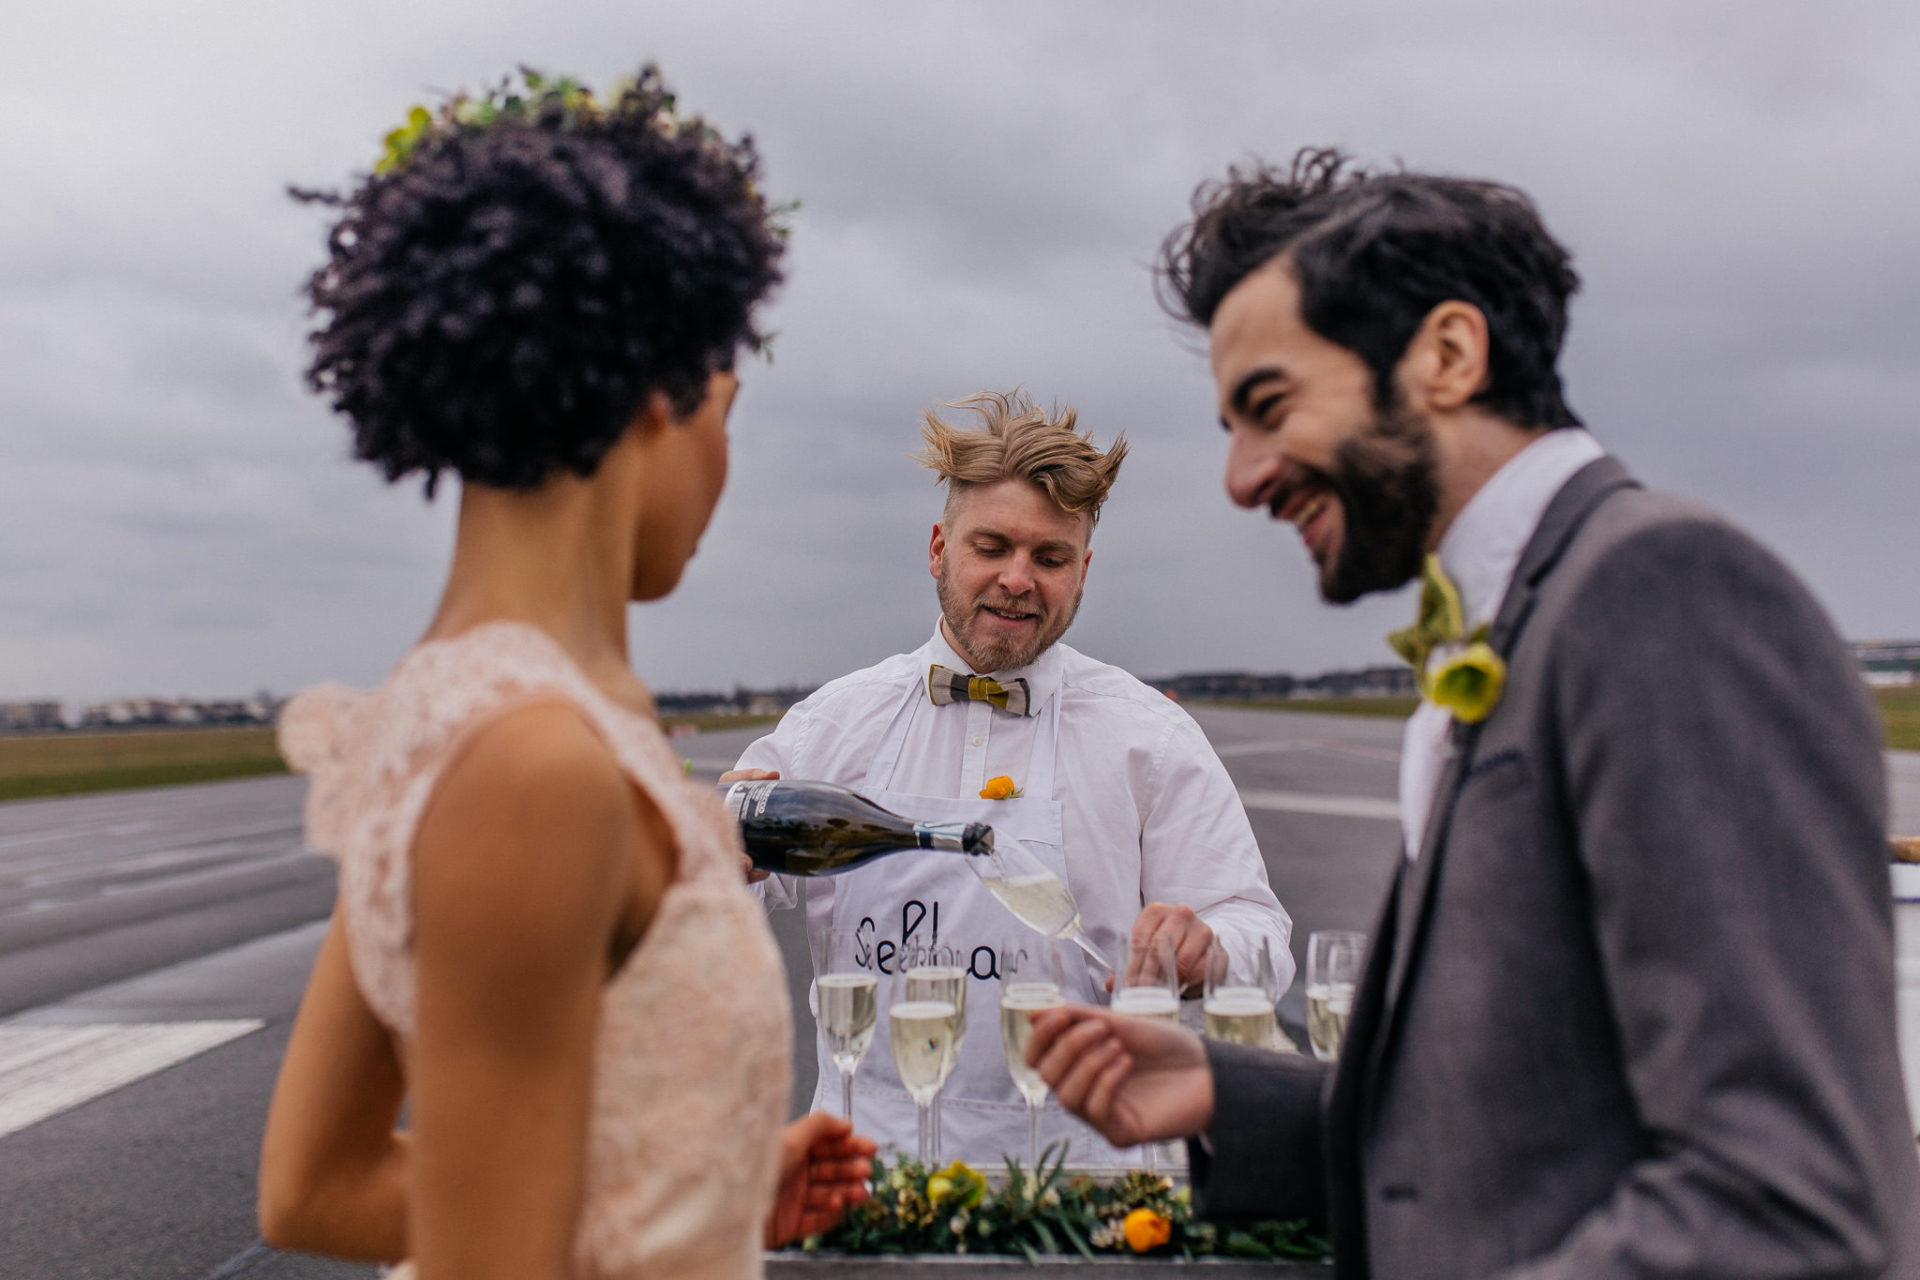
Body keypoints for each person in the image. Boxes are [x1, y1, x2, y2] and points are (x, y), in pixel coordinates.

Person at [1028, 149, 1920, 1277]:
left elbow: (1791, 1201)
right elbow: (1536, 1126)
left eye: (1270, 407)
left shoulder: (1665, 593)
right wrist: (1237, 1096)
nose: (1241, 478)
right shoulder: (1524, 622)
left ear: (1448, 355)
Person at [256, 69, 873, 1280]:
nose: (726, 460)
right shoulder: (534, 763)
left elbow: (321, 1185)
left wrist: (697, 1190)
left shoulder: (456, 721)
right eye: (728, 407)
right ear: (656, 391)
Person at [727, 390, 1292, 1167]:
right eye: (990, 547)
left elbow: (1260, 934)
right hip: (862, 1177)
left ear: (1082, 571)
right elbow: (710, 880)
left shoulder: (1151, 739)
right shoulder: (833, 725)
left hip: (1089, 1184)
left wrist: (1212, 950)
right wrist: (712, 854)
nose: (1018, 579)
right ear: (938, 549)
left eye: (1050, 558)